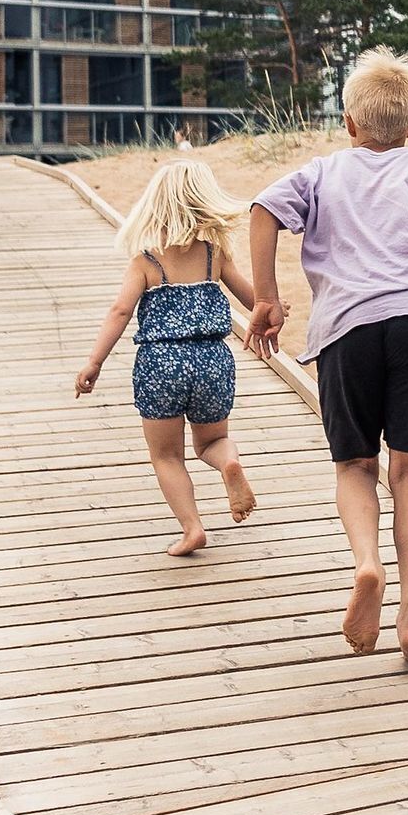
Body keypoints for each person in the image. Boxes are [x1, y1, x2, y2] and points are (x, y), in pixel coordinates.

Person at [246, 49, 408, 664]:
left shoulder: (321, 173)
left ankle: (367, 565)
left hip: (345, 327)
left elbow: (263, 211)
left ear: (348, 121)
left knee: (354, 465)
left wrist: (266, 297)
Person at [72, 158, 264, 557]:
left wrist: (94, 362)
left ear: (155, 205)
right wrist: (273, 310)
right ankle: (229, 463)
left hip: (161, 365)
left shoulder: (146, 260)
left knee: (166, 456)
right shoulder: (215, 254)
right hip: (212, 360)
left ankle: (192, 528)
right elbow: (252, 300)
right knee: (212, 441)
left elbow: (120, 312)